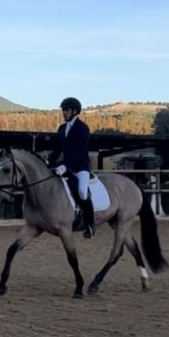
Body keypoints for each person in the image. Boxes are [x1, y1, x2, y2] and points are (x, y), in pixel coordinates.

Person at [48, 96, 95, 238]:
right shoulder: (62, 129)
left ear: (74, 111)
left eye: (66, 110)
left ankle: (90, 225)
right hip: (64, 166)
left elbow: (79, 151)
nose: (64, 113)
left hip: (80, 167)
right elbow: (58, 149)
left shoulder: (83, 129)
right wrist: (49, 160)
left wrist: (66, 166)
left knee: (82, 191)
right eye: (63, 110)